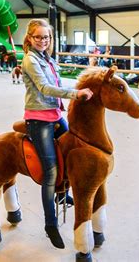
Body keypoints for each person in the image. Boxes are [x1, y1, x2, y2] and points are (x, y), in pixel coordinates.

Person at [21, 19, 93, 249]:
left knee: (75, 148)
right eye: (39, 37)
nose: (43, 41)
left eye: (47, 37)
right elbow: (44, 88)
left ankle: (62, 195)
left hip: (54, 114)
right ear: (30, 38)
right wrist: (76, 93)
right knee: (50, 173)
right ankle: (50, 224)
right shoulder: (30, 59)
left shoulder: (49, 59)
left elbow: (58, 83)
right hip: (38, 119)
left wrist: (80, 87)